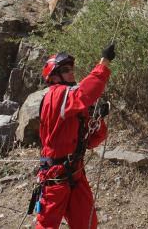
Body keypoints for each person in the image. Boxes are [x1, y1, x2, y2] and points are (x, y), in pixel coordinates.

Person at [34, 44, 115, 228]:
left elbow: (93, 140)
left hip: (75, 174)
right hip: (55, 177)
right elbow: (86, 92)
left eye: (71, 69)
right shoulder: (55, 96)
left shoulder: (72, 104)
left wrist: (97, 118)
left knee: (86, 223)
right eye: (65, 70)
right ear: (53, 77)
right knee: (48, 226)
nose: (71, 73)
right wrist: (104, 62)